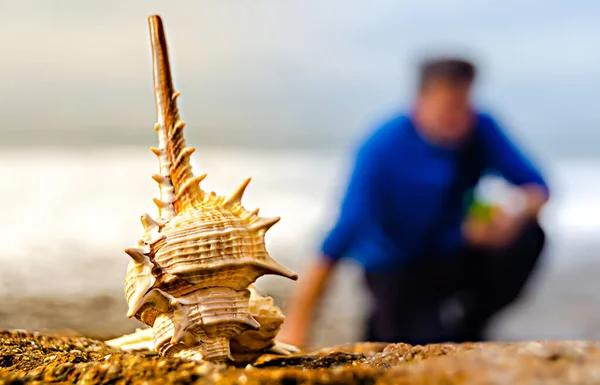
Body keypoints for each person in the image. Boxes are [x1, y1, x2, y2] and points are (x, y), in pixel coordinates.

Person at [278, 57, 550, 347]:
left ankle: (472, 326)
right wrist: (298, 323)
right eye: (448, 108)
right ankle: (386, 323)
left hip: (451, 253)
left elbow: (538, 188)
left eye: (464, 105)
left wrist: (512, 216)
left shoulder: (480, 127)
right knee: (414, 343)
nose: (459, 118)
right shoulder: (382, 147)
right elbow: (341, 234)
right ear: (420, 101)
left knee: (530, 237)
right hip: (394, 265)